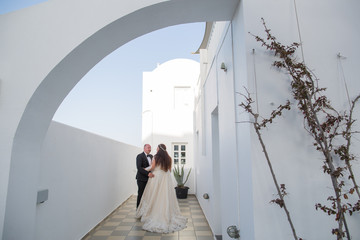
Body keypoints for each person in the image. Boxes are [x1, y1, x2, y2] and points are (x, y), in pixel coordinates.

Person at [136, 143, 187, 233]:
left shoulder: (155, 157)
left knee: (154, 195)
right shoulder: (169, 158)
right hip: (165, 178)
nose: (155, 149)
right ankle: (166, 213)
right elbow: (169, 170)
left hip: (157, 178)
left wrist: (145, 170)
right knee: (164, 196)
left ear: (159, 149)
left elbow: (152, 167)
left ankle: (152, 212)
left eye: (156, 148)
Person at [136, 144, 154, 208]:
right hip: (141, 179)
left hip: (150, 179)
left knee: (148, 195)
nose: (150, 149)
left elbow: (152, 166)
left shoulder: (151, 156)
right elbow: (139, 168)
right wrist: (148, 173)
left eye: (150, 148)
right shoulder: (139, 156)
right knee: (141, 194)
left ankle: (146, 210)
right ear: (144, 148)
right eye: (148, 147)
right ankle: (138, 210)